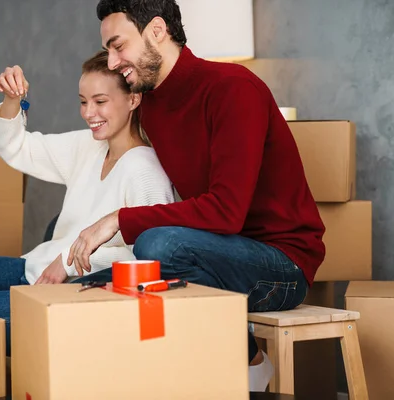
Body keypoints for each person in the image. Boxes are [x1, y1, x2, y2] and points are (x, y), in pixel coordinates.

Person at [67, 0, 326, 392]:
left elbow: (226, 212)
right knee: (75, 296)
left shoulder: (233, 88)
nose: (114, 60)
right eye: (108, 50)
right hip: (213, 253)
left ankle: (249, 363)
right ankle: (218, 370)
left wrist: (119, 220)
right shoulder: (151, 106)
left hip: (281, 266)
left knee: (158, 244)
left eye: (119, 46)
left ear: (157, 30)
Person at [0, 50, 175, 354]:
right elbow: (15, 148)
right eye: (83, 101)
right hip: (31, 267)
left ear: (133, 100)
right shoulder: (87, 146)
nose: (89, 112)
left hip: (75, 293)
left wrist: (67, 263)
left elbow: (148, 265)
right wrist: (13, 100)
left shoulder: (145, 172)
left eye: (100, 101)